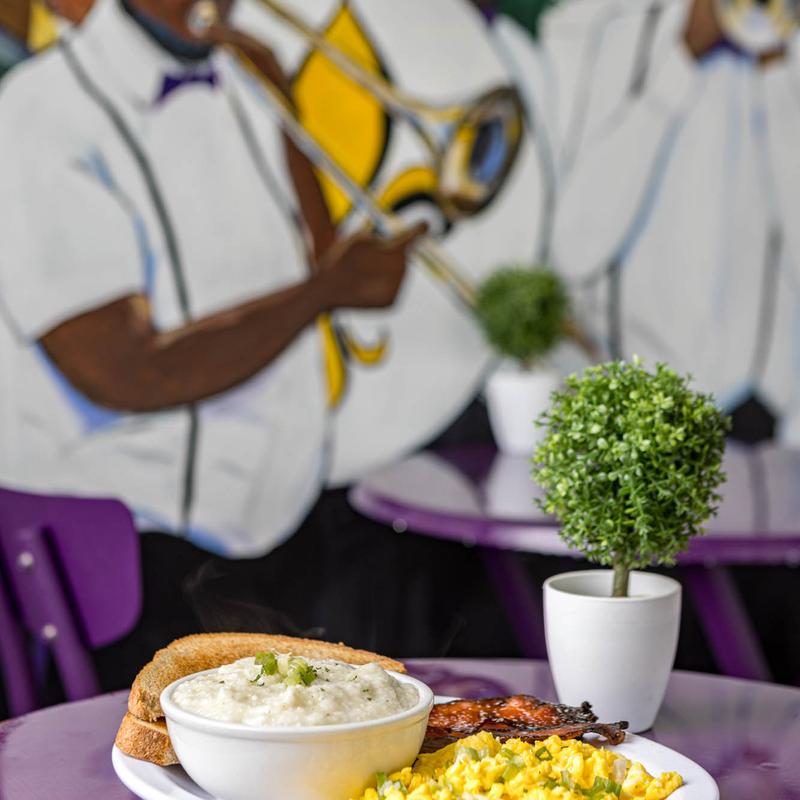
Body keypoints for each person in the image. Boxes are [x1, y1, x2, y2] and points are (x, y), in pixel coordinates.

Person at [0, 0, 426, 558]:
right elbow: (123, 373)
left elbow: (316, 257)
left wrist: (353, 267)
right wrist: (324, 292)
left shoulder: (246, 72)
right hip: (125, 544)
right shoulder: (36, 112)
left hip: (281, 516)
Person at [540, 0, 800, 441]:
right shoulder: (592, 28)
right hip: (634, 413)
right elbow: (574, 248)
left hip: (764, 426)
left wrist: (777, 75)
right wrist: (680, 60)